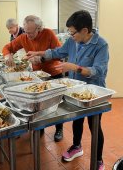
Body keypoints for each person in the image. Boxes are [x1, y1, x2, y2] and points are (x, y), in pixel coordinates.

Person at [26, 10, 109, 170]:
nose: (71, 36)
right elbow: (58, 52)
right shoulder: (73, 42)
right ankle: (77, 146)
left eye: (73, 33)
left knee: (95, 125)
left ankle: (98, 160)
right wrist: (40, 55)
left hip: (93, 93)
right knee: (77, 120)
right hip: (74, 90)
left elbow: (98, 70)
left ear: (85, 30)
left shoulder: (101, 45)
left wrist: (75, 67)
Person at [2, 15, 64, 141]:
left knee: (57, 103)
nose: (28, 35)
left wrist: (41, 57)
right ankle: (40, 128)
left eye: (31, 32)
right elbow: (7, 47)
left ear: (39, 28)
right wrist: (7, 56)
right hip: (37, 75)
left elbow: (60, 54)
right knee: (39, 104)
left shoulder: (49, 34)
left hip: (54, 73)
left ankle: (59, 129)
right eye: (26, 31)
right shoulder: (24, 37)